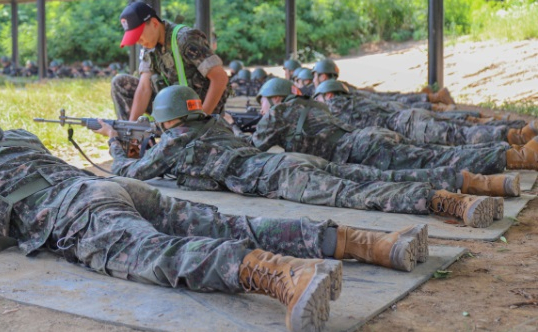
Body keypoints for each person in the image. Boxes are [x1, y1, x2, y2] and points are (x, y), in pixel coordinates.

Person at [0, 83, 342, 332]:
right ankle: (354, 241)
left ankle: (287, 274)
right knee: (220, 220)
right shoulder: (14, 136)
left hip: (78, 212)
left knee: (159, 254)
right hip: (108, 186)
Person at [95, 85, 503, 230]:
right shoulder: (213, 126)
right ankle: (477, 181)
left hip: (282, 176)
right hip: (291, 161)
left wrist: (116, 141)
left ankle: (447, 200)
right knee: (364, 174)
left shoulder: (174, 140)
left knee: (359, 193)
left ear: (166, 118)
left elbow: (134, 171)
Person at [250, 77, 537, 178]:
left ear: (275, 99)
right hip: (374, 138)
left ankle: (516, 155)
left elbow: (252, 148)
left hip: (366, 148)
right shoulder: (314, 106)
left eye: (263, 102)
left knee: (441, 155)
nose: (262, 107)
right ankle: (515, 144)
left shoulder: (278, 113)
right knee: (444, 146)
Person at [314, 80, 534, 147]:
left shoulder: (335, 108)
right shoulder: (353, 97)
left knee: (460, 135)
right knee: (461, 127)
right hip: (409, 117)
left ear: (329, 96)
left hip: (406, 125)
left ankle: (517, 135)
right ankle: (518, 129)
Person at [110, 2, 230, 121]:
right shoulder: (149, 46)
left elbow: (220, 78)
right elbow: (144, 88)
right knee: (120, 82)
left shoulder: (185, 39)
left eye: (139, 35)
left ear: (154, 23)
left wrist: (202, 119)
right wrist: (132, 127)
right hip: (173, 108)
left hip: (198, 109)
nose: (138, 42)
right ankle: (133, 138)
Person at [312, 58, 455, 107]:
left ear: (323, 77)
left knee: (392, 103)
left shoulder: (328, 91)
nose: (313, 81)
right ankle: (429, 97)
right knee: (391, 100)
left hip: (363, 100)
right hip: (363, 98)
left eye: (315, 76)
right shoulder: (339, 85)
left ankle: (432, 98)